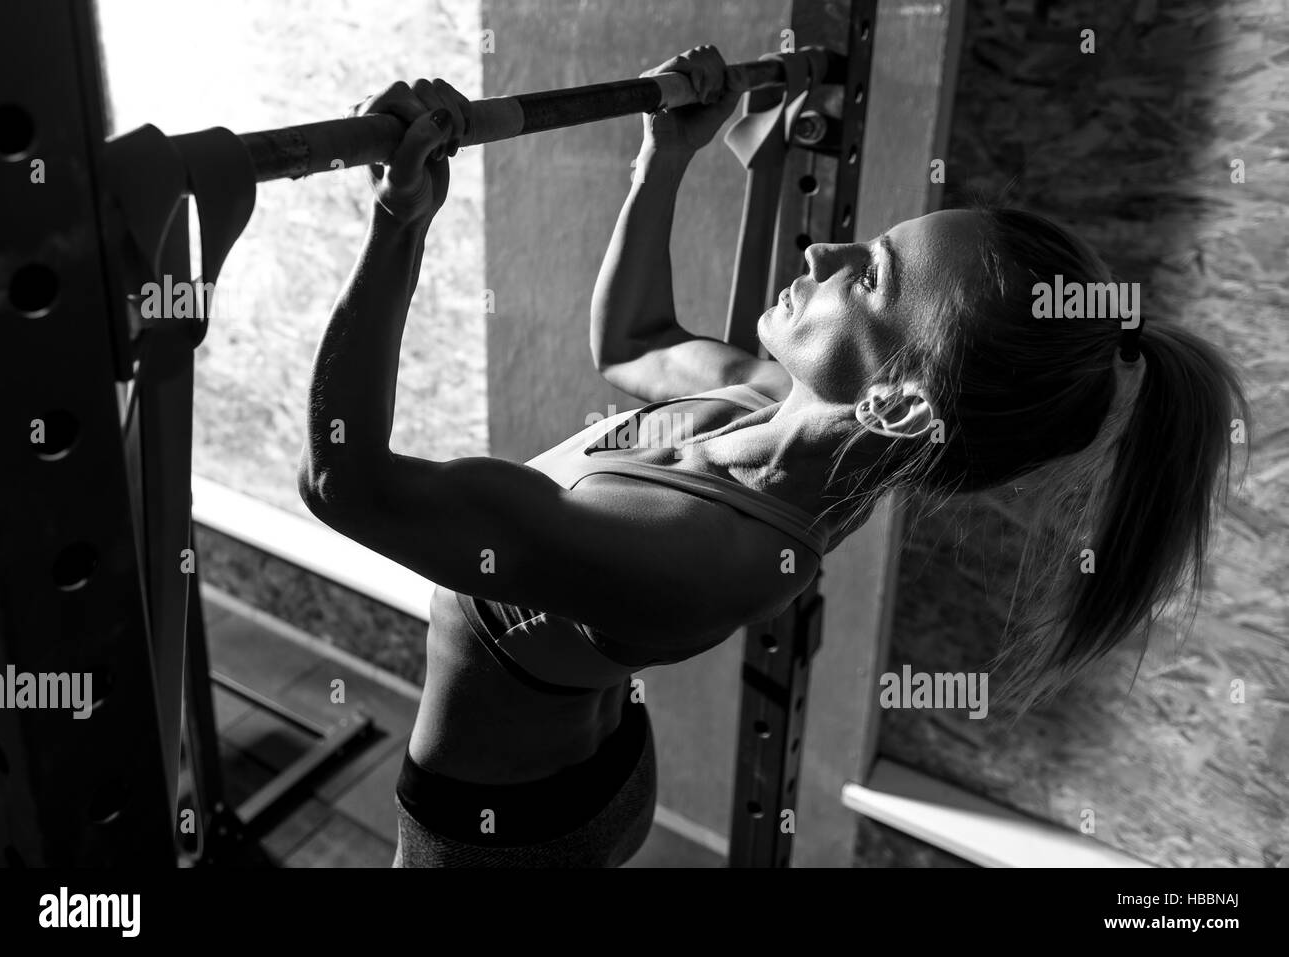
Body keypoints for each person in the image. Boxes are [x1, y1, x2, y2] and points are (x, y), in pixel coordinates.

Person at [298, 46, 1248, 867]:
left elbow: (346, 483)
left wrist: (401, 220)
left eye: (868, 276)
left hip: (498, 837)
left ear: (900, 402)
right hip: (603, 757)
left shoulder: (692, 553)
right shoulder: (803, 417)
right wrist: (666, 157)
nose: (827, 248)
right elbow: (633, 341)